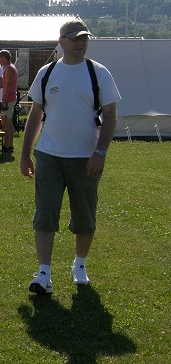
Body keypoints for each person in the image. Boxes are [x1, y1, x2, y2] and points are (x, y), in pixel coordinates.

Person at [20, 19, 121, 294]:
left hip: (85, 158)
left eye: (84, 38)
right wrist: (25, 153)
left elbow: (110, 116)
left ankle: (79, 265)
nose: (81, 43)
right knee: (45, 213)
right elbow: (36, 114)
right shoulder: (48, 72)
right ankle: (44, 273)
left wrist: (100, 152)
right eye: (75, 38)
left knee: (85, 216)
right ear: (61, 40)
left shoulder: (98, 73)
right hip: (49, 156)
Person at [0, 49, 18, 154]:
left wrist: (3, 100)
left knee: (7, 123)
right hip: (8, 98)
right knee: (6, 122)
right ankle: (8, 145)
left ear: (3, 58)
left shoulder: (9, 69)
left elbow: (9, 85)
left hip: (8, 99)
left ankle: (8, 146)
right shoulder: (6, 67)